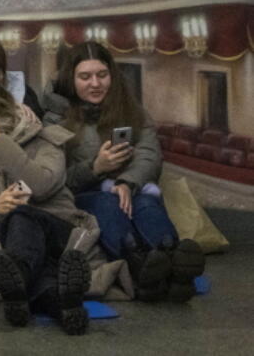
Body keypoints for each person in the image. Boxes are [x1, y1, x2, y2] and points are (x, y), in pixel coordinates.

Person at [0, 82, 129, 336]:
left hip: (58, 234)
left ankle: (18, 277)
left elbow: (41, 184)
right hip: (17, 248)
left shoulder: (46, 140)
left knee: (21, 216)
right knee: (36, 273)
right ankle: (61, 308)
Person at [53, 41, 204, 302]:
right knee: (108, 204)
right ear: (71, 79)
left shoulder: (133, 111)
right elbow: (55, 176)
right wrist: (95, 168)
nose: (95, 84)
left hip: (132, 189)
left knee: (146, 203)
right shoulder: (56, 118)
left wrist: (126, 181)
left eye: (102, 75)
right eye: (85, 77)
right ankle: (140, 267)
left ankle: (173, 260)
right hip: (83, 197)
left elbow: (149, 154)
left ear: (112, 75)